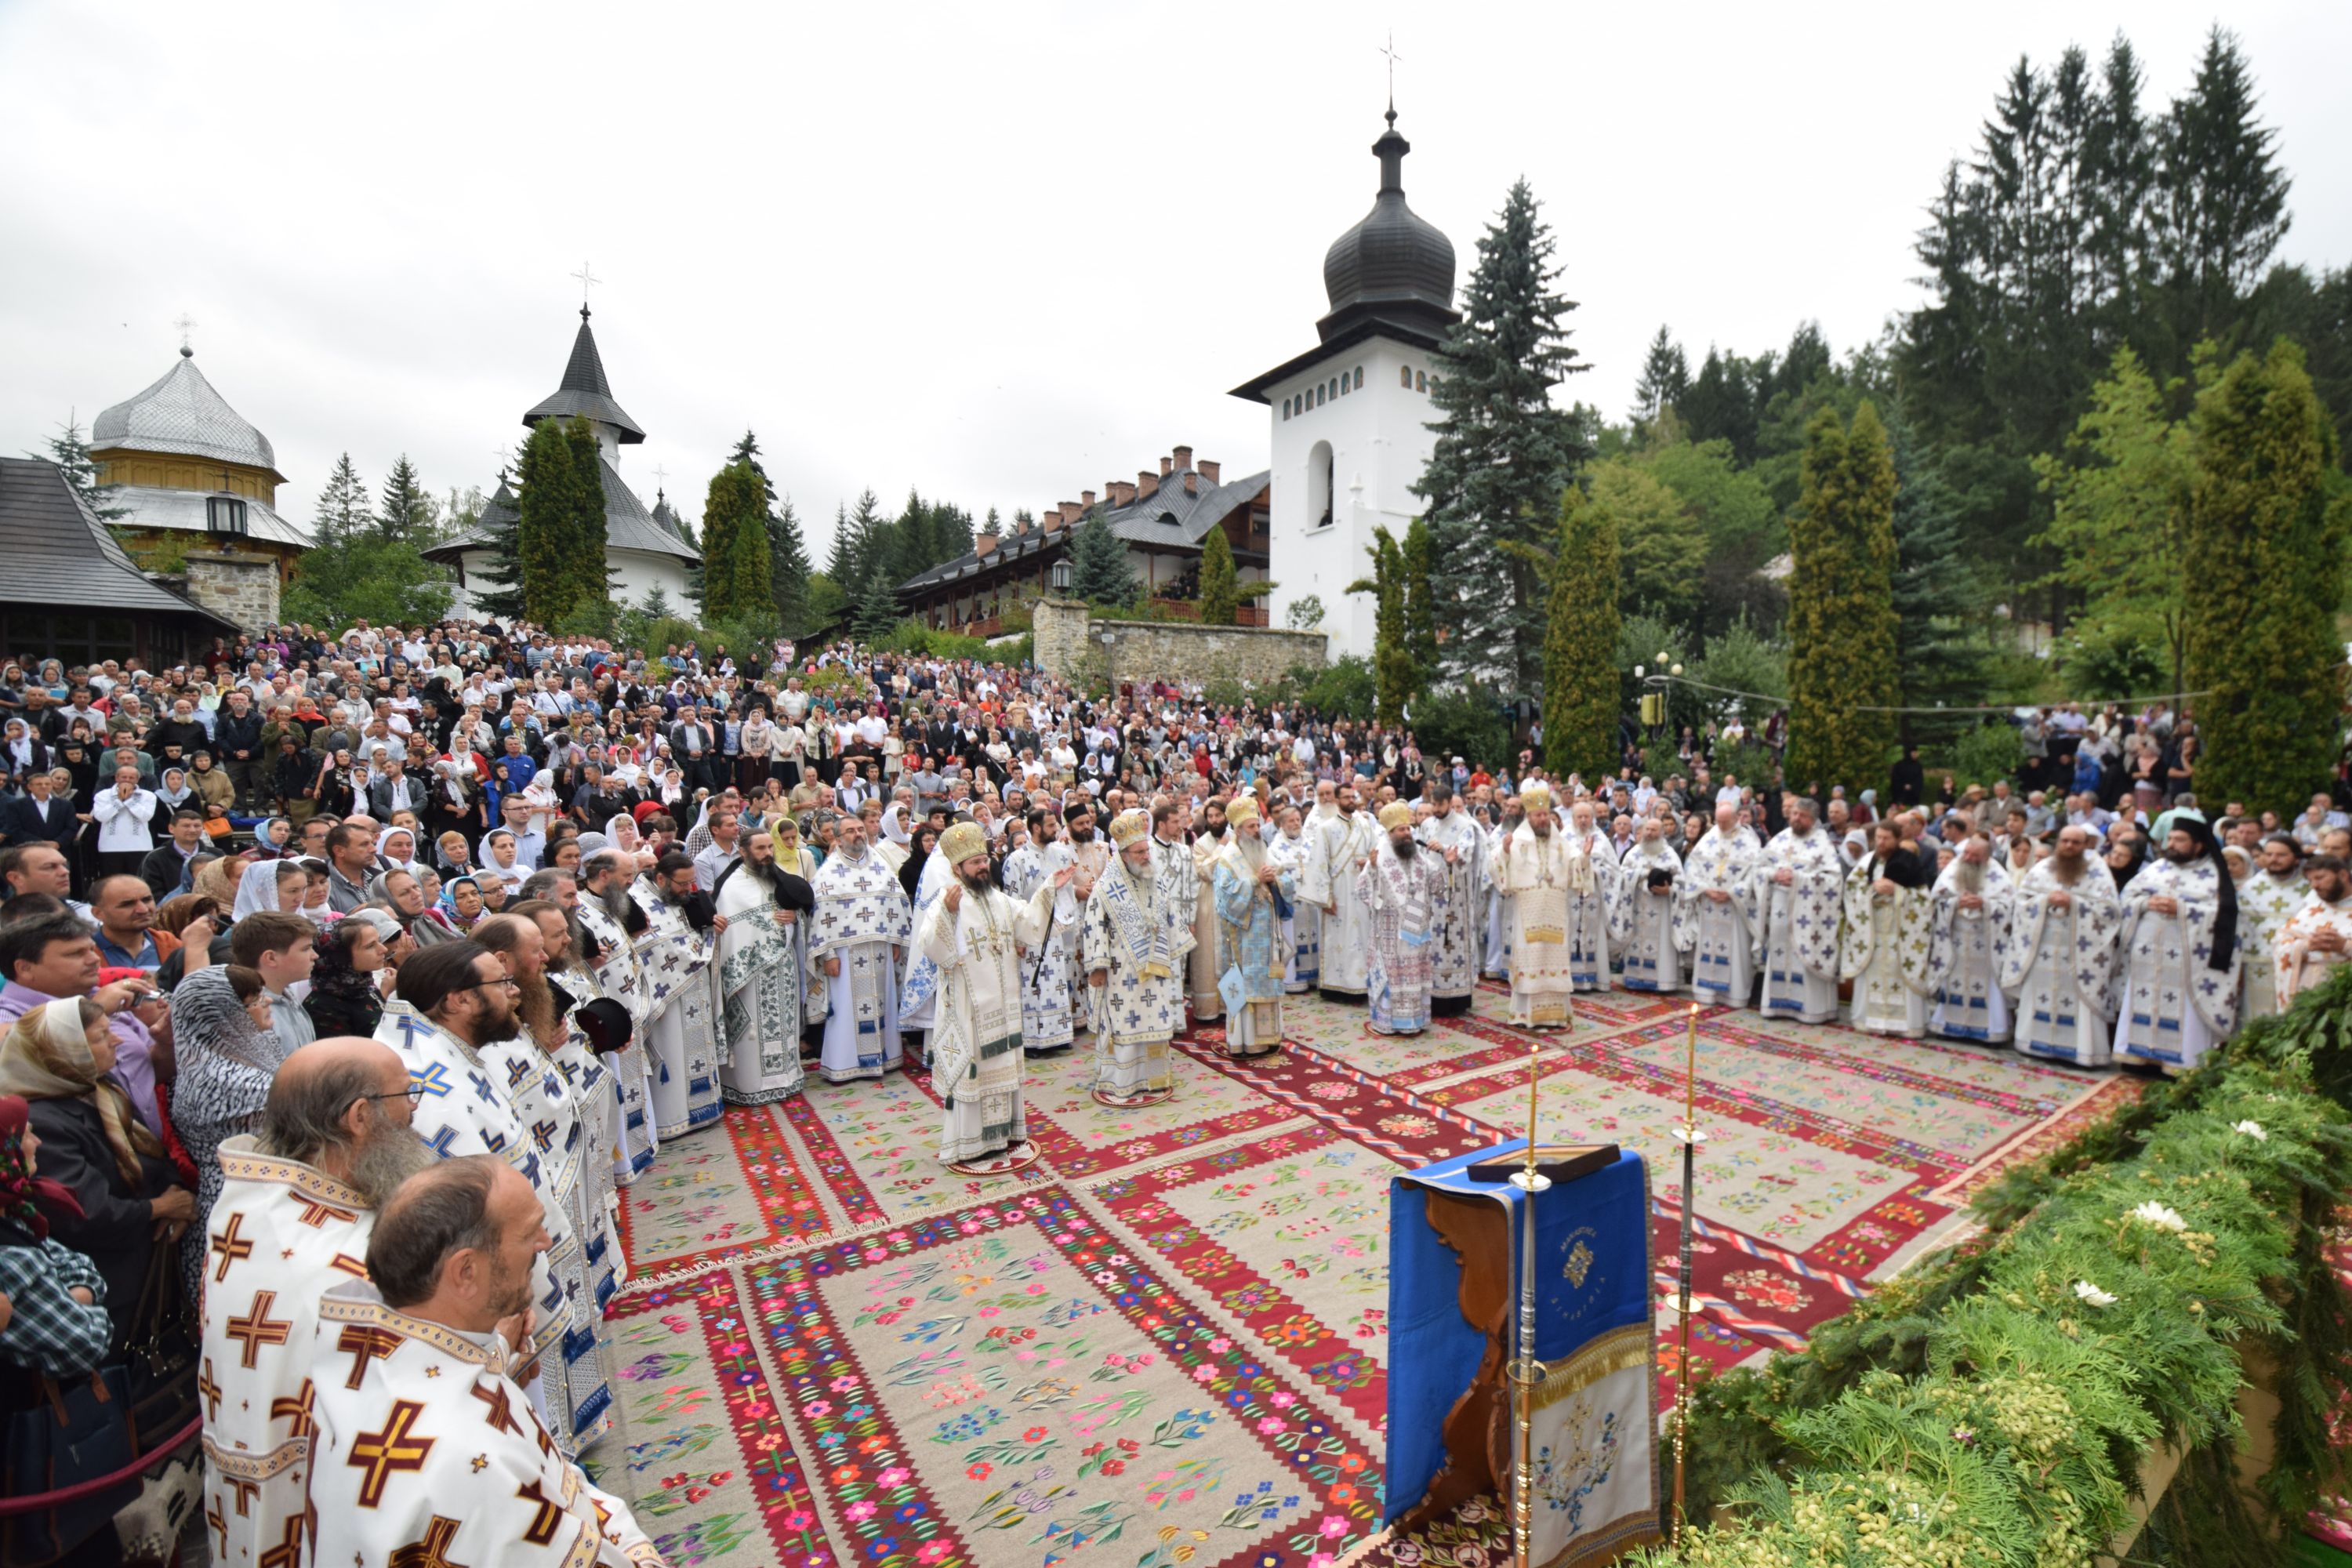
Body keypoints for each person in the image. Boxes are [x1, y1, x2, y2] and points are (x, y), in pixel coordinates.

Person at [308, 1158, 662, 1568]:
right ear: (466, 1272)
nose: (546, 1242)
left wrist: (498, 1350)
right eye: (529, 1233)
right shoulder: (470, 1457)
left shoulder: (369, 1357)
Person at [198, 1038, 432, 1568]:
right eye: (405, 1094)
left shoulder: (248, 1209)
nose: (415, 1108)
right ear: (359, 1117)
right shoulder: (347, 1270)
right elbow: (419, 1407)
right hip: (331, 1516)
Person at [374, 941, 615, 1456]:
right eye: (498, 984)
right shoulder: (435, 1093)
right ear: (458, 1001)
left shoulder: (448, 1053)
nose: (513, 993)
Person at [0, 998, 187, 1345]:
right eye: (102, 1036)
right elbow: (84, 1210)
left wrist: (176, 1194)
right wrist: (160, 1208)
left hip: (144, 1264)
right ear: (64, 1051)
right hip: (106, 1284)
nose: (116, 1040)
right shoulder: (41, 1120)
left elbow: (154, 1157)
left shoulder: (101, 1091)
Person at [473, 913, 624, 1312]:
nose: (545, 957)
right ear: (503, 960)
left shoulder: (527, 991)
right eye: (536, 948)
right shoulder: (485, 1021)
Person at [918, 822, 1067, 1171]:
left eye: (984, 859)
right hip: (970, 1009)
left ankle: (1002, 1139)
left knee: (1002, 1071)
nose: (983, 866)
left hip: (1004, 1006)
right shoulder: (946, 901)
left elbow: (1028, 922)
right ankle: (969, 1145)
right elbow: (932, 947)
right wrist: (947, 915)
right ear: (957, 869)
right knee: (974, 1075)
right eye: (974, 863)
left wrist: (1048, 889)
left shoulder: (998, 898)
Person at [1081, 809, 1192, 1105]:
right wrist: (1098, 966)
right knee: (1124, 1024)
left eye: (1146, 850)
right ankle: (1123, 1082)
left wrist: (1175, 948)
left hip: (1154, 968)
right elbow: (1094, 926)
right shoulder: (1106, 888)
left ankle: (1155, 1078)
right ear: (1124, 854)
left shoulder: (1155, 880)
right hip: (1121, 971)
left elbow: (1170, 914)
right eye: (1140, 851)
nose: (1146, 856)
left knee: (1154, 1022)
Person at [2115, 815, 2241, 1074]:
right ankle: (2138, 1057)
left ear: (2198, 844)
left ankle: (2178, 1064)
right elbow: (2128, 897)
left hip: (2189, 958)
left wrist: (2182, 909)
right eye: (2170, 838)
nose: (2171, 844)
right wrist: (2146, 904)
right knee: (2142, 998)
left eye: (2179, 840)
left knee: (2182, 1008)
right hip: (2148, 954)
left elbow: (2225, 918)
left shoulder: (2214, 875)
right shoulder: (2158, 867)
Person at [0, 1093, 111, 1379]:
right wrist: (82, 1301)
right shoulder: (11, 1258)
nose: (37, 1143)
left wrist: (72, 1295)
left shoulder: (11, 1213)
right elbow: (86, 1343)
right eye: (26, 1135)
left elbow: (76, 1263)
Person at [2001, 825, 2125, 1067]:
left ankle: (2082, 1049)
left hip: (2081, 953)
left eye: (2075, 843)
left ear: (2085, 845)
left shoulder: (2098, 872)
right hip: (2043, 949)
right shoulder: (2042, 869)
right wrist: (2045, 900)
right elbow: (2022, 902)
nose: (2069, 846)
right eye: (2065, 841)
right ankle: (2032, 1043)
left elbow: (2110, 913)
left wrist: (2075, 903)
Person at [713, 829, 817, 1105]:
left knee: (784, 1024)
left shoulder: (778, 878)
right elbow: (730, 932)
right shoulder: (732, 886)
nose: (767, 853)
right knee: (754, 1031)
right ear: (743, 851)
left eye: (770, 847)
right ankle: (750, 1086)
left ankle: (787, 1078)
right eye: (760, 849)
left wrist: (795, 918)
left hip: (783, 969)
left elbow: (803, 912)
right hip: (750, 976)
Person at [807, 811, 912, 1084]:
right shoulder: (828, 872)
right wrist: (827, 954)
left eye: (861, 830)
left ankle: (884, 1057)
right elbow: (820, 916)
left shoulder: (879, 865)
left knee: (882, 1002)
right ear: (839, 839)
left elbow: (896, 901)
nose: (858, 835)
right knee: (844, 1010)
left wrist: (896, 939)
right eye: (851, 831)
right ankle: (844, 1063)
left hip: (880, 949)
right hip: (844, 954)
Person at [630, 851, 725, 1138]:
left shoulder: (676, 898)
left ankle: (705, 1107)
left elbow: (689, 929)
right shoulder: (638, 901)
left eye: (692, 883)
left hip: (693, 985)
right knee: (673, 1048)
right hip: (667, 993)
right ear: (661, 878)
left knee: (697, 1048)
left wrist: (712, 925)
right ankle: (673, 1118)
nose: (689, 890)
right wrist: (697, 952)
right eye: (683, 884)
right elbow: (651, 947)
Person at [576, 849, 657, 1185]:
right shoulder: (582, 911)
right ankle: (623, 1160)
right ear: (605, 875)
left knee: (633, 1079)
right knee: (619, 1082)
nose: (631, 883)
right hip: (607, 1010)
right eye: (627, 876)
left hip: (627, 1004)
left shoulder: (610, 904)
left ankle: (641, 1148)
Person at [1490, 785, 1584, 1029]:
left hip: (1554, 912)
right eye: (1537, 815)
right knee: (1530, 962)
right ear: (1528, 817)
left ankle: (1556, 1016)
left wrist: (1583, 858)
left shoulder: (1561, 843)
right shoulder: (1518, 840)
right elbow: (1497, 866)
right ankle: (1524, 1015)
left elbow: (1576, 868)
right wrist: (1506, 851)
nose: (1542, 818)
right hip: (1528, 914)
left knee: (1553, 962)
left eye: (1545, 814)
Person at [1209, 797, 1293, 1055]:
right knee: (1246, 988)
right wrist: (1255, 881)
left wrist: (1276, 881)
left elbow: (1287, 881)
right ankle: (1244, 1042)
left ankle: (1269, 1038)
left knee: (1267, 983)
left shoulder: (1263, 850)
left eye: (1257, 825)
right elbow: (1225, 902)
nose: (1257, 831)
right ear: (1237, 830)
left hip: (1268, 937)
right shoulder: (1228, 860)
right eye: (1251, 827)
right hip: (1243, 939)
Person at [1752, 797, 1845, 1025]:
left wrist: (1798, 878)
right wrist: (1775, 875)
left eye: (1802, 815)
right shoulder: (1780, 840)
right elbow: (1758, 868)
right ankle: (1777, 1005)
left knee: (1803, 958)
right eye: (1794, 814)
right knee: (1779, 953)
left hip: (1809, 914)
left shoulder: (1823, 845)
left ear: (1813, 820)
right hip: (1780, 908)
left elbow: (1833, 880)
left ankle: (1810, 1010)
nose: (1796, 818)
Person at [996, 808, 1082, 1057]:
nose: (1056, 829)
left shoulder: (1063, 854)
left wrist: (1069, 922)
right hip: (1031, 931)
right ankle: (1033, 1041)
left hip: (1057, 929)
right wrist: (1017, 937)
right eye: (1051, 825)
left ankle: (1059, 1036)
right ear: (1035, 828)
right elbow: (1010, 900)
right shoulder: (1016, 860)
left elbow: (1067, 894)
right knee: (1033, 987)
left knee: (1057, 982)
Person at [1359, 800, 1446, 1036]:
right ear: (1390, 834)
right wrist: (1374, 870)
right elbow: (1363, 891)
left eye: (1408, 829)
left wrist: (1446, 860)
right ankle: (1390, 1022)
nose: (1407, 833)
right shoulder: (1379, 858)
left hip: (1416, 933)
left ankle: (1415, 1021)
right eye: (1401, 830)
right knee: (1392, 976)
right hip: (1389, 933)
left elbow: (1438, 886)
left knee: (1415, 973)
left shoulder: (1419, 858)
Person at [1841, 822, 1934, 1036]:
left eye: (1886, 838)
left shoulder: (1910, 861)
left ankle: (1905, 1025)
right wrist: (1872, 889)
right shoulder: (1867, 861)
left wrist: (1898, 891)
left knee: (1899, 973)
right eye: (1879, 838)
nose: (1881, 843)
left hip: (1900, 930)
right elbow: (1851, 888)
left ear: (1898, 839)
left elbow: (1924, 900)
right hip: (1872, 928)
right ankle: (1869, 1020)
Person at [1925, 834, 2016, 1044]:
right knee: (1954, 981)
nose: (1967, 857)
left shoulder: (1998, 876)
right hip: (1955, 939)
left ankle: (1991, 1029)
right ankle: (1947, 1025)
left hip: (1985, 943)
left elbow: (2010, 907)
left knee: (1987, 984)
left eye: (1974, 855)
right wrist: (1956, 903)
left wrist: (1985, 904)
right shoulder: (1953, 870)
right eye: (1966, 852)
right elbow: (1936, 900)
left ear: (1986, 858)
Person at [1675, 800, 1759, 1006]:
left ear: (1736, 818)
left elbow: (1756, 872)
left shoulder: (1749, 841)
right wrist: (1705, 889)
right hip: (1710, 903)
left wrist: (1733, 892)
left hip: (1734, 906)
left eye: (1725, 821)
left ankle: (1735, 995)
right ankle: (1706, 991)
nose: (1721, 826)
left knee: (1735, 949)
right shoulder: (1709, 839)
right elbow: (1693, 867)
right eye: (1719, 821)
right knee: (1708, 946)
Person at [1300, 782, 1375, 1004]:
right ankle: (1337, 987)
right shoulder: (1326, 828)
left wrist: (1369, 864)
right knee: (1338, 939)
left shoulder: (1365, 825)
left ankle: (1362, 985)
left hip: (1362, 890)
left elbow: (1376, 853)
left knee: (1362, 938)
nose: (1351, 801)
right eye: (1346, 798)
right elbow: (1318, 863)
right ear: (1337, 800)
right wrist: (1325, 898)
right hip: (1338, 893)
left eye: (1353, 797)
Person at [2237, 836, 2309, 1018]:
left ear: (2296, 858)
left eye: (2281, 855)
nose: (2273, 859)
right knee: (2255, 1018)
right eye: (2269, 854)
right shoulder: (2249, 889)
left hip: (2297, 964)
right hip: (2256, 965)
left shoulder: (2310, 889)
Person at [1612, 815, 1683, 994]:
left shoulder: (1670, 855)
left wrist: (1670, 890)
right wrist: (1645, 874)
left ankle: (1663, 982)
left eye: (1654, 830)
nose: (1650, 833)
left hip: (1662, 909)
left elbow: (1681, 883)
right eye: (1647, 830)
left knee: (1661, 946)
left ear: (1662, 833)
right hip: (1637, 909)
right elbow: (1622, 875)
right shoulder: (1634, 852)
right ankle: (1634, 979)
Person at [234, 908, 321, 1054]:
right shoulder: (254, 1015)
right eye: (306, 949)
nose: (315, 956)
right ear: (271, 958)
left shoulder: (286, 995)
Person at [2271, 854, 2352, 1010]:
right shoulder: (2308, 912)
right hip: (2308, 997)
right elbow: (2279, 943)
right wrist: (2306, 945)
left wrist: (2344, 946)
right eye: (2310, 881)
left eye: (2320, 878)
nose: (2314, 885)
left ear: (2342, 875)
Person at [306, 911, 394, 1038]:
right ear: (340, 957)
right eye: (370, 946)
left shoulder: (363, 985)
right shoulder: (323, 1008)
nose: (383, 949)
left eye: (379, 941)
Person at [1265, 803, 1321, 996]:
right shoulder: (1275, 848)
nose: (1296, 823)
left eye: (1298, 819)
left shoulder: (1311, 843)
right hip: (1291, 905)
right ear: (1282, 824)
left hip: (1311, 904)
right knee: (1292, 940)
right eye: (1292, 820)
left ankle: (1314, 976)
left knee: (1315, 937)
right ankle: (1294, 981)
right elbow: (1274, 876)